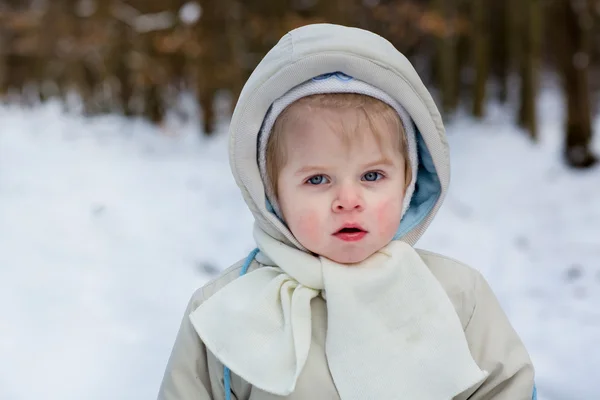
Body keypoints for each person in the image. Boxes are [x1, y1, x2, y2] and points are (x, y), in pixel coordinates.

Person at [157, 23, 536, 400]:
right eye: (318, 179)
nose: (348, 200)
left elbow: (506, 389)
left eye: (372, 175)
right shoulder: (225, 311)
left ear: (408, 183)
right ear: (271, 193)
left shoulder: (457, 296)